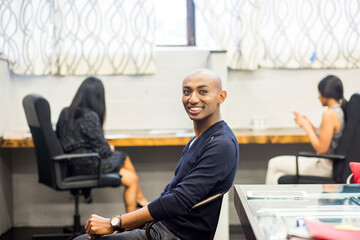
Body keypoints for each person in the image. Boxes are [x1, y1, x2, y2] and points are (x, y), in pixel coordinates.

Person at [73, 68, 239, 240]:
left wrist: (115, 223)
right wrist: (126, 225)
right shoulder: (199, 139)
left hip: (174, 234)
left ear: (221, 97)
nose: (193, 99)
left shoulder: (221, 144)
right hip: (161, 225)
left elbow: (178, 201)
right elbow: (169, 193)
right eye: (187, 92)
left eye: (203, 91)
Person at [56, 76, 148, 212]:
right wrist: (109, 148)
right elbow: (102, 151)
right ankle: (136, 215)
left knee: (131, 175)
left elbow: (60, 136)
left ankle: (141, 201)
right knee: (128, 168)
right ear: (97, 97)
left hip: (71, 163)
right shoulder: (90, 116)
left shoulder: (65, 112)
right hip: (88, 163)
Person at [265, 75, 346, 184]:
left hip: (324, 166)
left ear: (325, 93)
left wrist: (306, 127)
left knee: (273, 164)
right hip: (330, 164)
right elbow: (326, 136)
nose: (318, 97)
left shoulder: (329, 114)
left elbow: (322, 149)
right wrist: (308, 123)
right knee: (277, 176)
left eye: (319, 93)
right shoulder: (340, 111)